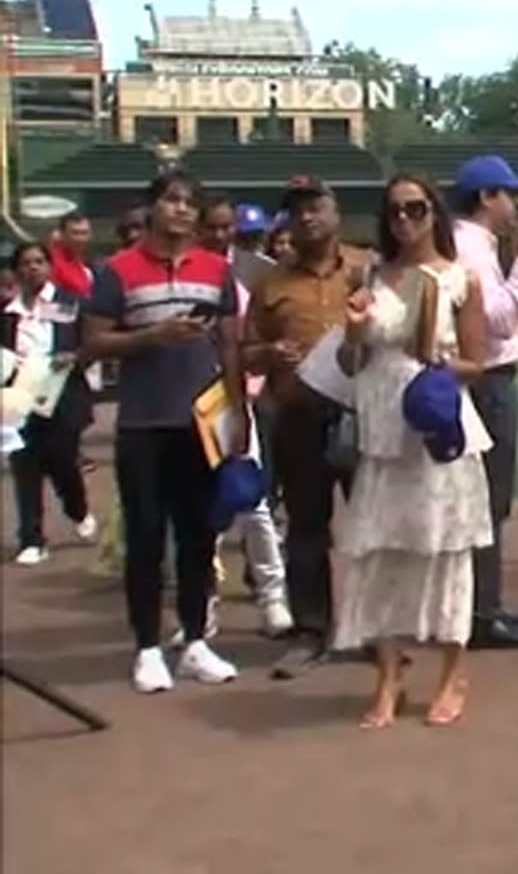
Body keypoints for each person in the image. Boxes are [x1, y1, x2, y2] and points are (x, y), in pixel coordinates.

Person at [333, 173, 496, 728]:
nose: (405, 221)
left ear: (435, 213)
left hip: (435, 425)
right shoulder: (370, 275)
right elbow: (348, 364)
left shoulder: (459, 279)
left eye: (416, 209)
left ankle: (454, 673)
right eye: (396, 212)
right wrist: (354, 331)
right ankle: (388, 679)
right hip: (381, 427)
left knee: (445, 550)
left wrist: (440, 367)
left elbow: (479, 362)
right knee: (380, 556)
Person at [81, 169, 250, 693]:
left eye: (189, 204)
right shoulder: (117, 271)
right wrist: (152, 335)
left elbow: (229, 344)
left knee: (200, 537)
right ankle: (147, 648)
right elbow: (94, 345)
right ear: (153, 208)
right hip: (143, 424)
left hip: (198, 423)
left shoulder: (216, 270)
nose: (181, 210)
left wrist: (237, 409)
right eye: (172, 201)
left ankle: (196, 640)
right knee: (147, 538)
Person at [247, 175, 372, 678]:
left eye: (316, 206)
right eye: (296, 211)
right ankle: (311, 630)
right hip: (298, 413)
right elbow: (246, 352)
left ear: (335, 211)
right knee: (305, 529)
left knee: (372, 526)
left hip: (361, 413)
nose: (307, 217)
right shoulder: (271, 283)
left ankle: (372, 629)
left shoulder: (366, 270)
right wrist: (268, 352)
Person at [450, 154, 518, 649]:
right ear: (486, 197)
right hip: (487, 381)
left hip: (483, 380)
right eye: (509, 194)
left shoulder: (472, 243)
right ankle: (481, 614)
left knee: (486, 499)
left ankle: (482, 605)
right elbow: (499, 320)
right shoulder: (472, 246)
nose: (516, 203)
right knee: (489, 499)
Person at [192, 193, 292, 638]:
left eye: (226, 227)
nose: (219, 235)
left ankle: (273, 598)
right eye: (210, 227)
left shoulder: (252, 274)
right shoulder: (185, 271)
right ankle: (201, 607)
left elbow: (256, 339)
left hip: (237, 398)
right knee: (198, 509)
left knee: (253, 502)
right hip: (191, 399)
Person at [4, 241, 96, 565]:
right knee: (25, 465)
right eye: (26, 263)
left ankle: (78, 508)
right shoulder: (8, 314)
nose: (33, 268)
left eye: (39, 261)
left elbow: (91, 342)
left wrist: (75, 357)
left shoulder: (71, 304)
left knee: (62, 462)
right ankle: (31, 538)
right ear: (15, 271)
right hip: (20, 398)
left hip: (62, 394)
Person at [47, 212, 94, 300]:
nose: (80, 239)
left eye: (84, 233)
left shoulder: (82, 264)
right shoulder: (51, 262)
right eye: (75, 233)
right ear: (62, 234)